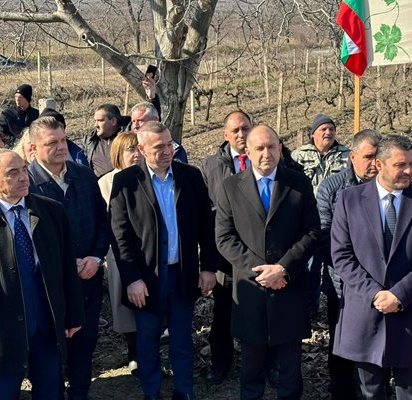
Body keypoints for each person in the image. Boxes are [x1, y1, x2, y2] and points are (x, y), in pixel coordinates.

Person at [331, 134, 412, 399]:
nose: (409, 171)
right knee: (369, 392)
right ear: (380, 165)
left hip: (411, 313)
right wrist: (374, 294)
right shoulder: (349, 200)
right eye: (400, 165)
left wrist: (399, 295)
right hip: (364, 313)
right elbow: (342, 256)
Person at [110, 121, 217, 400]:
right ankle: (151, 391)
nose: (167, 151)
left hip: (182, 273)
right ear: (142, 149)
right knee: (147, 341)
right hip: (146, 278)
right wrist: (132, 279)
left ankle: (184, 391)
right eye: (159, 147)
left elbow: (207, 225)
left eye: (170, 144)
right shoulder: (126, 182)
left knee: (182, 339)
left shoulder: (191, 177)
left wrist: (207, 267)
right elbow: (120, 236)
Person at [215, 124, 321, 400]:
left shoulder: (298, 183)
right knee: (252, 365)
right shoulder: (230, 188)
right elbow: (225, 238)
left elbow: (311, 231)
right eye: (259, 148)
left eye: (272, 146)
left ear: (280, 148)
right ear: (247, 151)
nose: (267, 153)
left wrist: (283, 268)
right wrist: (261, 272)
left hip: (289, 285)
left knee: (289, 366)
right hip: (251, 290)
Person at [27, 116, 112, 400]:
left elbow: (103, 221)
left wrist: (96, 257)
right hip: (47, 286)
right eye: (52, 143)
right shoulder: (26, 185)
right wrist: (64, 265)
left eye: (63, 140)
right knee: (49, 347)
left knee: (84, 343)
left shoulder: (84, 176)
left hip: (87, 278)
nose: (61, 147)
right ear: (33, 148)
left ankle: (80, 393)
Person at [0, 149, 84, 400]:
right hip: (1, 330)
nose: (23, 177)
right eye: (13, 173)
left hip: (45, 323)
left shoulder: (51, 212)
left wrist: (73, 314)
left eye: (24, 169)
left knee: (50, 391)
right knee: (6, 392)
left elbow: (67, 269)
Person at [316, 128, 382, 400]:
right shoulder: (332, 188)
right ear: (352, 157)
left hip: (381, 283)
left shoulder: (385, 188)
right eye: (368, 157)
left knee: (378, 339)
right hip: (341, 282)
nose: (374, 163)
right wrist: (353, 270)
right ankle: (341, 389)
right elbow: (325, 235)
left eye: (378, 157)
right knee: (342, 339)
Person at [200, 110, 252, 385]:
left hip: (257, 252)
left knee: (259, 311)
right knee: (223, 311)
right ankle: (221, 363)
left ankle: (263, 364)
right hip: (224, 254)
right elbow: (206, 212)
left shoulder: (264, 157)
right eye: (236, 131)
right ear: (226, 135)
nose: (242, 135)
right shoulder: (211, 166)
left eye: (245, 128)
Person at [291, 114, 350, 318]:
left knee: (337, 268)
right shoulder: (298, 156)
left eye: (331, 128)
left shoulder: (347, 155)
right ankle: (310, 310)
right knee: (310, 269)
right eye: (323, 129)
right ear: (313, 133)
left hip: (338, 224)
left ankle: (339, 309)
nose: (328, 132)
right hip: (308, 223)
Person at [98, 132, 142, 375]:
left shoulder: (150, 178)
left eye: (139, 149)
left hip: (149, 253)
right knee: (126, 307)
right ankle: (133, 351)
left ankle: (150, 350)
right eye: (130, 150)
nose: (136, 155)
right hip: (120, 255)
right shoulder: (106, 182)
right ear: (118, 154)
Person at [82, 77, 161, 177]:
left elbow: (151, 121)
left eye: (100, 120)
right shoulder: (90, 140)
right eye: (95, 121)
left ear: (113, 121)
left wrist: (151, 97)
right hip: (101, 189)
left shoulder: (128, 135)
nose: (95, 125)